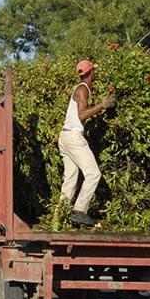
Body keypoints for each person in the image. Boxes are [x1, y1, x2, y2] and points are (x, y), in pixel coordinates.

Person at [57, 60, 117, 227]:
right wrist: (102, 105)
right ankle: (79, 211)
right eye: (94, 72)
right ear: (91, 73)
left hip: (65, 137)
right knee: (93, 174)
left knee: (70, 179)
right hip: (74, 137)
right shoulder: (83, 88)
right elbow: (82, 115)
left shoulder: (81, 88)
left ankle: (59, 218)